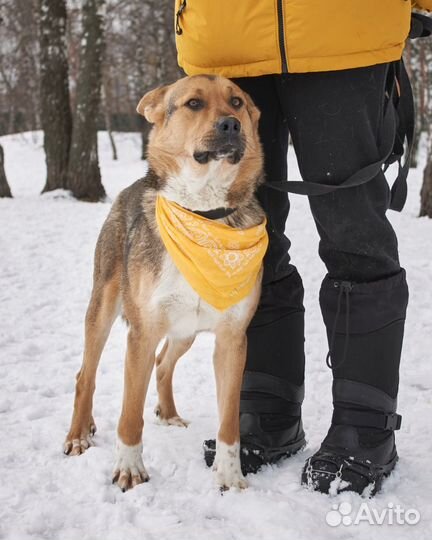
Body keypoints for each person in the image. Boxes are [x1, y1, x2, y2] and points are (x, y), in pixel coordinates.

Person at [173, 0, 432, 496]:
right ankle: (265, 408)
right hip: (224, 34)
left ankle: (365, 423)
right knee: (246, 241)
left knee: (355, 234)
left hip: (344, 28)